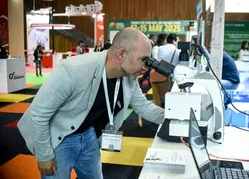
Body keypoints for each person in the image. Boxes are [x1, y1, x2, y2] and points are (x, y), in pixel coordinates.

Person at [17, 28, 165, 179]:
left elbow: (143, 106)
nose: (147, 66)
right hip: (59, 136)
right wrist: (44, 156)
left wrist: (175, 118)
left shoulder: (128, 76)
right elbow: (38, 115)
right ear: (121, 54)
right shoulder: (74, 70)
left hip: (89, 134)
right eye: (143, 59)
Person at [150, 33, 180, 107]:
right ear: (174, 41)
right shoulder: (177, 51)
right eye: (177, 41)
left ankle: (156, 115)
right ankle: (165, 116)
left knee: (156, 100)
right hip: (167, 77)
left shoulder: (160, 48)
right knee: (167, 100)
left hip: (155, 75)